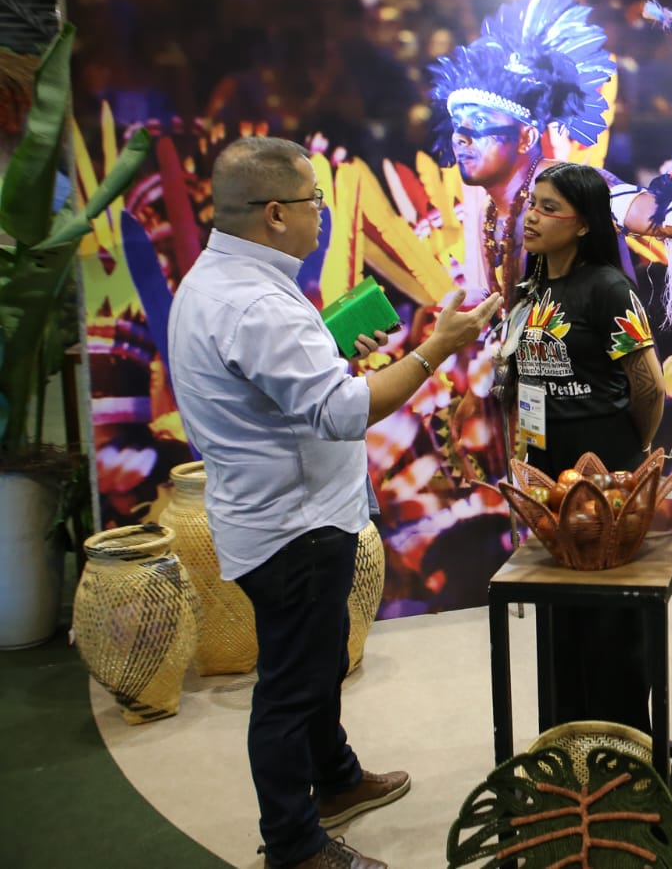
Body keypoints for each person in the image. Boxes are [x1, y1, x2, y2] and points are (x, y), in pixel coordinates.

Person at [167, 136, 503, 869]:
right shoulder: (259, 303)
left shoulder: (220, 281)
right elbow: (344, 411)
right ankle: (294, 845)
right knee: (291, 688)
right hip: (295, 524)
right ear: (275, 212)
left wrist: (331, 349)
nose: (322, 213)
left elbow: (276, 385)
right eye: (314, 200)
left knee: (314, 664)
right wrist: (435, 349)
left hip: (276, 512)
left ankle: (338, 778)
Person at [430, 0, 672, 328]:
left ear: (527, 137)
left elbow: (630, 206)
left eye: (480, 122)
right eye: (458, 123)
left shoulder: (570, 184)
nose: (461, 135)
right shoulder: (487, 210)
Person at [495, 161, 666, 730]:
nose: (531, 217)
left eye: (549, 208)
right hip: (549, 478)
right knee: (560, 621)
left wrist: (631, 450)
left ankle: (624, 746)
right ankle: (567, 744)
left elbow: (650, 386)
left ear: (585, 223)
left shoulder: (609, 288)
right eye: (531, 204)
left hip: (606, 478)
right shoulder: (531, 289)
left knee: (612, 626)